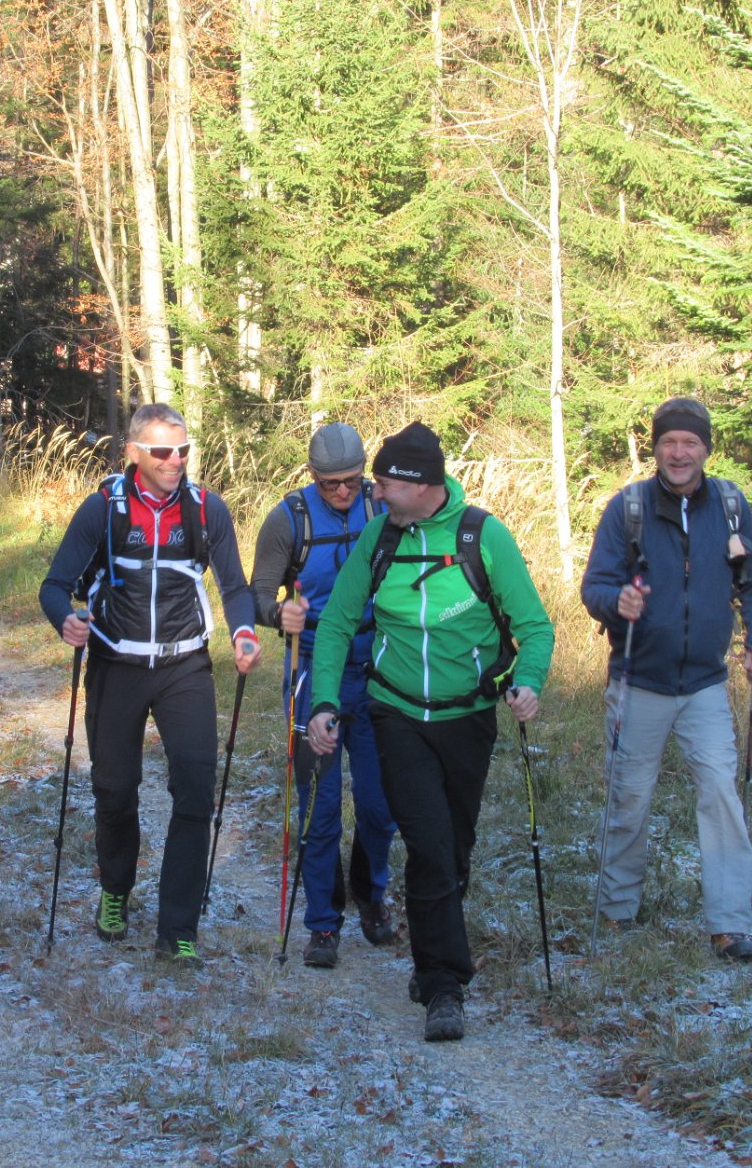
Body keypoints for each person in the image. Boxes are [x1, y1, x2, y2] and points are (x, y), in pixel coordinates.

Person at [306, 423, 554, 1042]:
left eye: (384, 484)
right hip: (395, 714)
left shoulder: (483, 537)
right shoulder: (379, 537)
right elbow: (336, 623)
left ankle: (431, 954)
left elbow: (534, 626)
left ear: (421, 485)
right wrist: (324, 701)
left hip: (467, 717)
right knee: (429, 845)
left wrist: (528, 681)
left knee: (454, 848)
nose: (375, 493)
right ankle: (444, 985)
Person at [39, 404, 262, 969]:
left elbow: (235, 587)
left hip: (184, 666)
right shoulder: (104, 508)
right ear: (134, 452)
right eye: (162, 451)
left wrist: (243, 633)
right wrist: (65, 620)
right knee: (115, 791)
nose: (175, 461)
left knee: (195, 790)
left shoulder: (206, 508)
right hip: (116, 663)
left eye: (183, 450)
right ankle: (115, 889)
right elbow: (55, 585)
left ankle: (177, 928)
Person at [580, 397, 752, 962]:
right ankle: (617, 910)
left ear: (706, 449)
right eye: (669, 442)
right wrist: (617, 602)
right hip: (638, 681)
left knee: (721, 796)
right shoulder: (629, 508)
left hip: (705, 685)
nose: (679, 452)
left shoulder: (731, 507)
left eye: (690, 442)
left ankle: (730, 924)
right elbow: (595, 586)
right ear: (656, 448)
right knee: (628, 798)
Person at [250, 423, 398, 969]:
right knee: (319, 806)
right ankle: (322, 922)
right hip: (313, 670)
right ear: (312, 474)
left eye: (352, 481)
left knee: (382, 805)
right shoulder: (288, 519)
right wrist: (278, 614)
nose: (342, 492)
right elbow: (257, 593)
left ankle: (371, 893)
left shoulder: (383, 509)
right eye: (330, 483)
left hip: (378, 670)